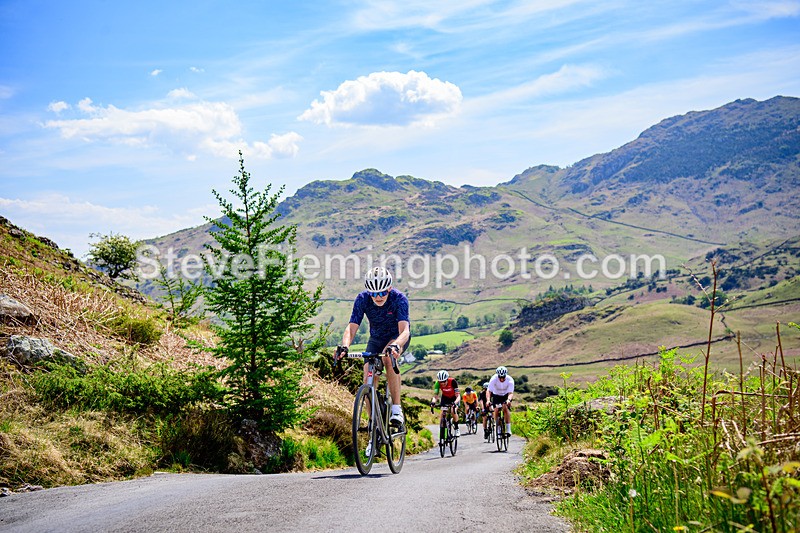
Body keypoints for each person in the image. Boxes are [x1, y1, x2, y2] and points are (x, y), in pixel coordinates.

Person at [335, 266, 411, 432]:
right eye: (373, 293)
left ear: (389, 288)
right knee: (368, 372)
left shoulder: (399, 299)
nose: (378, 297)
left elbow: (405, 330)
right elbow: (352, 326)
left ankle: (396, 409)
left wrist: (396, 345)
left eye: (382, 292)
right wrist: (345, 346)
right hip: (376, 339)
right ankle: (372, 425)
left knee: (387, 359)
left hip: (396, 337)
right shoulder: (362, 299)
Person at [432, 370, 460, 437]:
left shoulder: (453, 381)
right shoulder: (437, 384)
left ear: (447, 379)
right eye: (441, 382)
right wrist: (433, 402)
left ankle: (456, 428)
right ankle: (442, 433)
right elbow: (436, 396)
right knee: (442, 413)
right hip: (445, 398)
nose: (443, 383)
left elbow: (458, 396)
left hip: (454, 398)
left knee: (453, 411)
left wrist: (455, 403)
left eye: (444, 381)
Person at [487, 366, 515, 437]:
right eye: (500, 377)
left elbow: (510, 393)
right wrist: (488, 400)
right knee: (496, 410)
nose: (502, 379)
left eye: (503, 377)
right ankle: (498, 428)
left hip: (506, 395)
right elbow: (489, 391)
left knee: (505, 408)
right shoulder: (493, 379)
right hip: (496, 395)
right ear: (497, 376)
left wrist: (508, 400)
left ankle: (508, 429)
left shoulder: (510, 380)